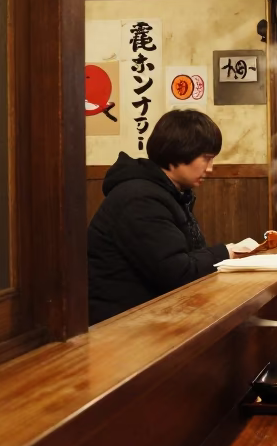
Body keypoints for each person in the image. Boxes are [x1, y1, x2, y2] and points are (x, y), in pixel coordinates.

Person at [88, 109, 237, 324]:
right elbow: (178, 274)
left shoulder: (168, 192)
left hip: (149, 316)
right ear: (181, 151)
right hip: (120, 325)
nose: (211, 168)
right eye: (206, 158)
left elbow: (189, 256)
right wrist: (226, 253)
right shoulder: (139, 198)